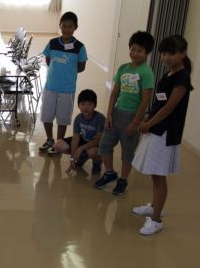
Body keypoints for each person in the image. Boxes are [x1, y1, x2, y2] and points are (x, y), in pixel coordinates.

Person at [131, 35, 193, 236]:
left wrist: (149, 122)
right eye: (164, 54)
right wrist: (149, 117)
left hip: (165, 132)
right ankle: (154, 206)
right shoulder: (170, 73)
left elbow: (170, 106)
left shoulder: (182, 77)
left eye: (171, 53)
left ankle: (156, 219)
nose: (166, 58)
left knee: (159, 176)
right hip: (157, 128)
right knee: (154, 173)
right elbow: (160, 102)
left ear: (183, 54)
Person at [95, 31, 155, 196]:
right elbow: (114, 93)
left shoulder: (146, 73)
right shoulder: (123, 68)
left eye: (139, 51)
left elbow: (145, 101)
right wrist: (108, 115)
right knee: (104, 146)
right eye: (133, 49)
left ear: (147, 53)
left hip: (132, 118)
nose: (135, 53)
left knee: (127, 153)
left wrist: (135, 123)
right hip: (116, 114)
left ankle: (123, 179)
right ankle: (109, 173)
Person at [37, 11, 88, 155]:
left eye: (70, 27)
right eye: (64, 26)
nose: (66, 29)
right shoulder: (53, 43)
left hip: (67, 89)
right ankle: (49, 140)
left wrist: (68, 72)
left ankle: (59, 143)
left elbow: (81, 66)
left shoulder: (79, 47)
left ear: (75, 28)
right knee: (46, 116)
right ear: (60, 26)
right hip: (50, 87)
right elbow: (48, 60)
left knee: (62, 119)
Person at [49, 89, 105, 177]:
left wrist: (81, 148)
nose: (86, 107)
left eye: (89, 104)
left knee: (93, 152)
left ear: (95, 105)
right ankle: (81, 157)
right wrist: (72, 158)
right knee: (58, 145)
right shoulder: (79, 118)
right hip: (83, 140)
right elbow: (75, 138)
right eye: (82, 104)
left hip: (95, 143)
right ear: (78, 105)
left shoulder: (100, 118)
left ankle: (97, 162)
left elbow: (98, 140)